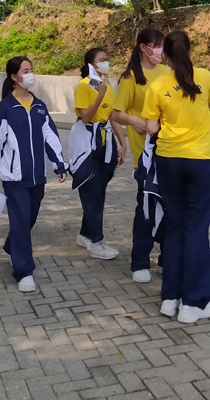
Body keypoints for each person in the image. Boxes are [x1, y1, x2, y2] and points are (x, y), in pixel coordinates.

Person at [142, 30, 210, 324]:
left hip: (169, 160)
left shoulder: (157, 84)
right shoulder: (204, 76)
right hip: (201, 160)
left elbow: (151, 127)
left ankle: (170, 297)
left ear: (165, 55)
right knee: (196, 228)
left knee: (174, 226)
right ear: (189, 51)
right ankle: (193, 303)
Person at [0, 56, 68, 292]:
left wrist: (59, 165)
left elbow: (51, 136)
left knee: (29, 219)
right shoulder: (5, 109)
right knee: (20, 222)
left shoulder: (39, 106)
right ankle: (23, 271)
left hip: (37, 176)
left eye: (31, 69)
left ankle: (12, 246)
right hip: (14, 178)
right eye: (25, 70)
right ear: (14, 77)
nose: (30, 74)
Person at [112, 27, 168, 283]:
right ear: (143, 48)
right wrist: (135, 121)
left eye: (162, 45)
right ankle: (140, 262)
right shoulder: (130, 77)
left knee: (170, 208)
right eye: (155, 46)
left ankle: (167, 258)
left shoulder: (167, 72)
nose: (160, 51)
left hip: (170, 152)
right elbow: (116, 113)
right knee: (146, 209)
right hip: (145, 156)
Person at [69, 47, 126, 260]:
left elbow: (112, 117)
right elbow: (85, 116)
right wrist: (99, 96)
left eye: (107, 59)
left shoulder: (107, 87)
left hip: (104, 143)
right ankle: (97, 241)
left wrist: (123, 143)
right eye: (102, 60)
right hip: (87, 143)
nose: (106, 63)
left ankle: (86, 234)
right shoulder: (84, 86)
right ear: (91, 65)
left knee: (99, 190)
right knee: (91, 191)